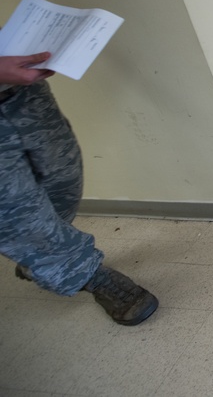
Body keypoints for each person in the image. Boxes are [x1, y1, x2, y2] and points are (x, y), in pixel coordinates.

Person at [0, 51, 159, 325]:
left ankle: (37, 258)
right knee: (16, 212)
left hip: (21, 92)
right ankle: (87, 273)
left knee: (62, 176)